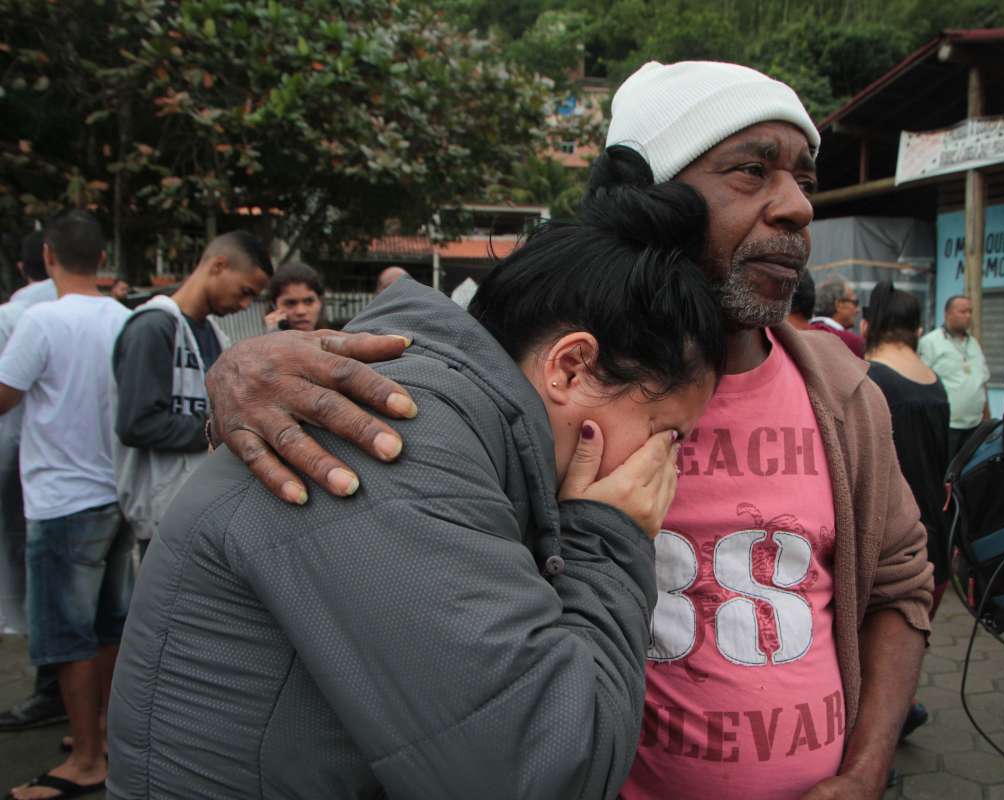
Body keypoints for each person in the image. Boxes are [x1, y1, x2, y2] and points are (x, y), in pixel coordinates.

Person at [201, 60, 933, 800]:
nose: (797, 207)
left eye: (805, 178)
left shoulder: (844, 396)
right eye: (752, 171)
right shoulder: (546, 373)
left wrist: (868, 769)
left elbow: (900, 588)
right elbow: (415, 390)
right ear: (650, 195)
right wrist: (249, 369)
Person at [106, 188, 725, 798]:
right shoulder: (397, 439)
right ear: (570, 367)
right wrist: (609, 539)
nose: (664, 467)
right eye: (665, 434)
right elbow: (545, 769)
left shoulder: (460, 428)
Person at [0, 210, 134, 800]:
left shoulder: (41, 321)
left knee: (67, 634)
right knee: (107, 625)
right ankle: (99, 735)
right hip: (116, 495)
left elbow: (3, 398)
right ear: (102, 259)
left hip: (62, 501)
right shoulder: (127, 318)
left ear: (48, 256)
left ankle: (85, 762)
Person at [111, 231, 272, 558]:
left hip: (196, 503)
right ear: (218, 265)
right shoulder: (153, 327)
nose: (243, 306)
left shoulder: (214, 334)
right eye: (244, 292)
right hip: (160, 509)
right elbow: (137, 424)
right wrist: (220, 428)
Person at [862, 281, 951, 744]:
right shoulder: (931, 380)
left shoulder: (871, 379)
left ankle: (880, 727)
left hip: (885, 537)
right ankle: (903, 705)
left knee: (869, 643)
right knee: (909, 634)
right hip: (934, 534)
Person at [0, 231, 67, 734]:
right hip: (102, 484)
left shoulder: (22, 316)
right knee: (101, 610)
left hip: (41, 480)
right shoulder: (116, 314)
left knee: (43, 596)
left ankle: (52, 697)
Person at [918, 295, 989, 456]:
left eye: (970, 312)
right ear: (947, 314)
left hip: (975, 426)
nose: (968, 316)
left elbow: (982, 382)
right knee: (946, 474)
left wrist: (987, 416)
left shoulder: (974, 343)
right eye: (962, 311)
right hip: (948, 426)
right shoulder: (930, 342)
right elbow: (922, 384)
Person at [809, 276, 866, 357]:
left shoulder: (801, 333)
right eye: (855, 303)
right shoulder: (851, 342)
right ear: (838, 305)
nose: (858, 310)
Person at [263, 261, 325, 332]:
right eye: (290, 303)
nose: (301, 311)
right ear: (274, 306)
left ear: (320, 302)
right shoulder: (263, 341)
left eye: (309, 302)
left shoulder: (335, 340)